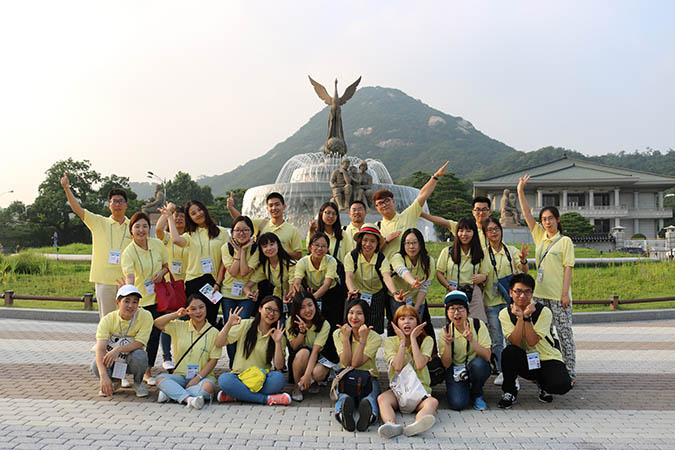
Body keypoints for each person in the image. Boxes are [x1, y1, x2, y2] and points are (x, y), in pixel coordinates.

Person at [517, 175, 576, 383]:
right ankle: (542, 371)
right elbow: (525, 213)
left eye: (550, 218)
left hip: (559, 297)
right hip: (540, 296)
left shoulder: (565, 241)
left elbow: (568, 268)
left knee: (564, 334)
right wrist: (520, 190)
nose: (547, 222)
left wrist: (564, 294)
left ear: (558, 220)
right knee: (541, 336)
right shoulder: (540, 236)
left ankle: (569, 371)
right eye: (544, 219)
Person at [61, 173, 132, 319]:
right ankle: (105, 343)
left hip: (126, 281)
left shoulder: (134, 226)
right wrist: (67, 188)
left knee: (126, 320)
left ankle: (123, 343)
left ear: (126, 204)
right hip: (104, 280)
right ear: (109, 205)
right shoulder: (98, 222)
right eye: (114, 201)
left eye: (121, 201)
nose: (117, 204)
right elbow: (77, 210)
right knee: (106, 320)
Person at [497, 273, 572, 409]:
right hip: (525, 359)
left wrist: (526, 317)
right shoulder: (505, 313)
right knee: (509, 352)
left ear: (532, 293)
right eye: (518, 291)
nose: (522, 296)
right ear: (510, 292)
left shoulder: (544, 312)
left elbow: (532, 341)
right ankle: (509, 391)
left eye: (527, 292)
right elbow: (515, 341)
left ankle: (544, 386)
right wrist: (520, 318)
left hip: (546, 357)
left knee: (562, 385)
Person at [160, 200, 229, 327]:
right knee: (194, 323)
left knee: (210, 322)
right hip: (194, 282)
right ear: (190, 218)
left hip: (213, 283)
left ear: (205, 209)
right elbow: (175, 239)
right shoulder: (190, 235)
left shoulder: (222, 232)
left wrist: (218, 283)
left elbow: (224, 262)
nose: (198, 214)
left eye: (199, 210)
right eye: (193, 213)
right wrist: (169, 217)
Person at [121, 212, 170, 386]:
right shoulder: (128, 252)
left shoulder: (157, 244)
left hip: (158, 299)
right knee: (134, 338)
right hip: (140, 302)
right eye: (137, 227)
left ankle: (147, 372)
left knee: (153, 337)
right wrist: (130, 298)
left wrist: (161, 273)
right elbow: (129, 277)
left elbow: (166, 265)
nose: (141, 230)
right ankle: (123, 374)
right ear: (131, 230)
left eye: (144, 226)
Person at [215, 296, 291, 405]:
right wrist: (228, 325)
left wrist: (278, 342)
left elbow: (279, 366)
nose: (271, 313)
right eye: (268, 309)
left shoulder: (278, 334)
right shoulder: (245, 324)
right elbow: (219, 343)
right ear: (260, 309)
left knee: (279, 379)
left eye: (276, 311)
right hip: (239, 376)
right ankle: (267, 399)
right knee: (224, 380)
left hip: (262, 378)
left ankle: (237, 395)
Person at [481, 217, 530, 383]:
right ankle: (502, 370)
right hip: (491, 301)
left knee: (512, 338)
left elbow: (523, 272)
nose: (494, 232)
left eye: (496, 229)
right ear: (485, 234)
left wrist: (523, 260)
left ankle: (512, 371)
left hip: (510, 302)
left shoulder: (511, 251)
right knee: (496, 339)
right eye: (490, 230)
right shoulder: (482, 254)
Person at [377, 305, 438, 439]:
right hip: (398, 390)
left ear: (417, 322)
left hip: (420, 390)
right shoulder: (390, 341)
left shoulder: (427, 340)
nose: (406, 322)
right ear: (396, 323)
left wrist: (413, 340)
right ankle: (391, 424)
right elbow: (397, 366)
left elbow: (421, 364)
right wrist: (403, 342)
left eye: (411, 318)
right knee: (382, 398)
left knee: (432, 403)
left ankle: (416, 425)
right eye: (402, 319)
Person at [153, 294, 222, 410]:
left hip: (202, 377)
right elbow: (157, 323)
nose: (198, 312)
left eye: (201, 307)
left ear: (206, 308)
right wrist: (176, 314)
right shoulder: (179, 326)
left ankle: (172, 393)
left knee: (208, 388)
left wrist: (197, 378)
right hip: (180, 376)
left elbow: (213, 360)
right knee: (159, 379)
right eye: (193, 309)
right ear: (187, 311)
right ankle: (189, 399)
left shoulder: (214, 332)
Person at [374, 161, 449, 259]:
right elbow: (372, 252)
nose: (384, 205)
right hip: (386, 272)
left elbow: (422, 196)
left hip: (408, 270)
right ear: (377, 207)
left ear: (393, 201)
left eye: (387, 201)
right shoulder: (376, 227)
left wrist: (435, 176)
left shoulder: (408, 215)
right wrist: (386, 240)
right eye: (380, 203)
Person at [344, 224, 407, 334]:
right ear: (359, 241)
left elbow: (387, 277)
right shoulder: (351, 256)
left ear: (377, 243)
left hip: (376, 296)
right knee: (354, 327)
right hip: (356, 294)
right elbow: (348, 276)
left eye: (372, 241)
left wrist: (394, 293)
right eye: (365, 240)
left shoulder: (382, 259)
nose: (368, 244)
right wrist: (352, 290)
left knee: (374, 329)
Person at [91, 285, 152, 398]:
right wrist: (103, 376)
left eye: (135, 302)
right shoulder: (107, 320)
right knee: (96, 364)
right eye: (126, 301)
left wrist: (118, 349)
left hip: (131, 359)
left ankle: (138, 382)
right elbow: (100, 349)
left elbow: (140, 342)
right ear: (118, 303)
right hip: (112, 361)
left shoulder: (146, 316)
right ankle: (113, 381)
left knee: (140, 355)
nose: (130, 305)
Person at [215, 215, 260, 366]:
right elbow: (234, 272)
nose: (241, 233)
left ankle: (243, 363)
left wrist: (242, 251)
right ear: (232, 232)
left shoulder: (255, 249)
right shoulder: (225, 248)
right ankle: (233, 364)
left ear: (251, 232)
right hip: (228, 295)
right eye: (238, 230)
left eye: (245, 230)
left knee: (243, 329)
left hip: (247, 296)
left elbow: (244, 271)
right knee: (230, 329)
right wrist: (239, 251)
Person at [291, 232, 342, 362]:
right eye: (316, 245)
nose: (319, 249)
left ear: (327, 248)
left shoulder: (331, 261)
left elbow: (327, 284)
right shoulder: (303, 262)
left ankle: (332, 361)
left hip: (331, 294)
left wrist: (311, 300)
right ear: (310, 247)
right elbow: (297, 280)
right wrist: (297, 291)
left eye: (323, 246)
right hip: (311, 293)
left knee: (332, 325)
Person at [333, 299, 382, 432]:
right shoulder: (338, 333)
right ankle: (343, 414)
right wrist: (345, 338)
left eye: (359, 313)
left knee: (369, 397)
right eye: (351, 313)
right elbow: (347, 362)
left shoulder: (375, 337)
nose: (354, 317)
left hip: (368, 377)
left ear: (366, 316)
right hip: (346, 375)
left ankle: (369, 416)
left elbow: (356, 363)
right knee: (344, 397)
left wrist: (363, 340)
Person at [439, 291, 492, 411]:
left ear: (467, 311)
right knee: (458, 404)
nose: (456, 313)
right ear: (447, 313)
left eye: (460, 308)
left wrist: (472, 340)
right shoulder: (446, 331)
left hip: (474, 367)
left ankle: (477, 394)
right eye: (452, 309)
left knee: (479, 365)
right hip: (456, 370)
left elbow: (487, 356)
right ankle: (459, 390)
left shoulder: (478, 325)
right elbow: (446, 364)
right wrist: (447, 345)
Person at [154, 204, 190, 371]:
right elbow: (159, 229)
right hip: (171, 284)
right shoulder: (168, 237)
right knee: (169, 319)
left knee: (185, 320)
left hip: (188, 283)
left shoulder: (190, 237)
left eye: (182, 216)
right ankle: (167, 357)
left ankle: (182, 355)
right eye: (176, 216)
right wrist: (167, 212)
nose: (179, 218)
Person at [436, 217, 489, 322]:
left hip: (473, 293)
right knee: (454, 323)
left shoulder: (480, 252)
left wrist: (482, 277)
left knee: (477, 324)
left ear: (474, 233)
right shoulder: (447, 251)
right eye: (461, 230)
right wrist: (449, 287)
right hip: (454, 291)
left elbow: (485, 275)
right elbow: (439, 273)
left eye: (468, 231)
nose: (464, 234)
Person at [285, 290, 332, 401]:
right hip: (299, 359)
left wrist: (307, 375)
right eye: (302, 307)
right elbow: (294, 347)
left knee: (318, 373)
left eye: (310, 305)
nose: (307, 310)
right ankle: (297, 387)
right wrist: (301, 332)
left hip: (319, 358)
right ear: (297, 310)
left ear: (315, 305)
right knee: (303, 352)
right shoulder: (290, 322)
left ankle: (313, 381)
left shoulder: (324, 324)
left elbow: (316, 351)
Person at [227, 191, 302, 260]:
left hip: (284, 271)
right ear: (267, 209)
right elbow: (241, 221)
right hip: (262, 271)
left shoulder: (292, 230)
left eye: (277, 204)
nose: (274, 208)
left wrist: (278, 253)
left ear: (284, 206)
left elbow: (298, 255)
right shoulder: (261, 224)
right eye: (271, 205)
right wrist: (231, 208)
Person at [244, 232, 295, 306]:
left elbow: (292, 289)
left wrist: (288, 298)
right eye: (265, 246)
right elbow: (247, 286)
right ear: (261, 250)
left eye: (272, 244)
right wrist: (249, 293)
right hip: (278, 298)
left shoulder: (290, 264)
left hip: (294, 299)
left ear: (278, 245)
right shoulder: (265, 266)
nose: (269, 248)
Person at [421, 196, 492, 247]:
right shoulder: (465, 228)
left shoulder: (495, 231)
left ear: (489, 212)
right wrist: (422, 214)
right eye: (478, 210)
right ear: (473, 212)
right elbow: (444, 222)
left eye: (484, 209)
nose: (481, 213)